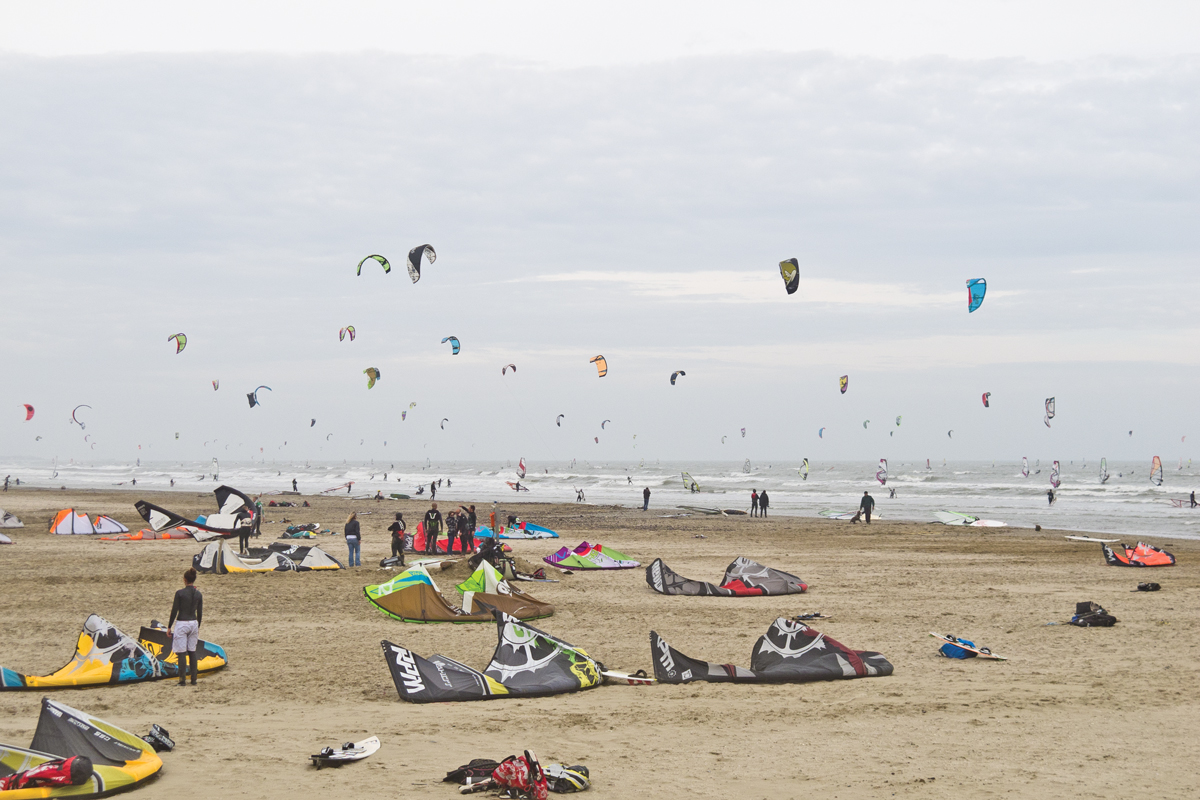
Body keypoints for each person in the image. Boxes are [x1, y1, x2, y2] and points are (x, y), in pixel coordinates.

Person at [167, 568, 203, 686]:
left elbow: (174, 611)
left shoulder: (180, 593)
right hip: (193, 623)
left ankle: (182, 680)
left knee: (182, 652)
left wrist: (169, 626)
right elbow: (200, 613)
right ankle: (194, 679)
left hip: (182, 622)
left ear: (185, 580)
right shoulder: (198, 594)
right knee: (192, 651)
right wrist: (198, 626)